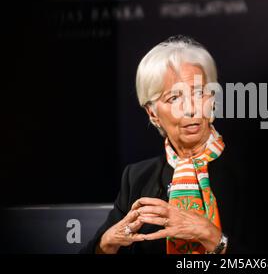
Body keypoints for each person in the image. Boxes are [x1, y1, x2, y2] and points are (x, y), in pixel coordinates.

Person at [81, 35, 242, 254]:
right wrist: (107, 243)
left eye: (198, 93)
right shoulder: (138, 178)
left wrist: (210, 236)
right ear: (153, 113)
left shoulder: (254, 168)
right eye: (174, 98)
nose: (190, 109)